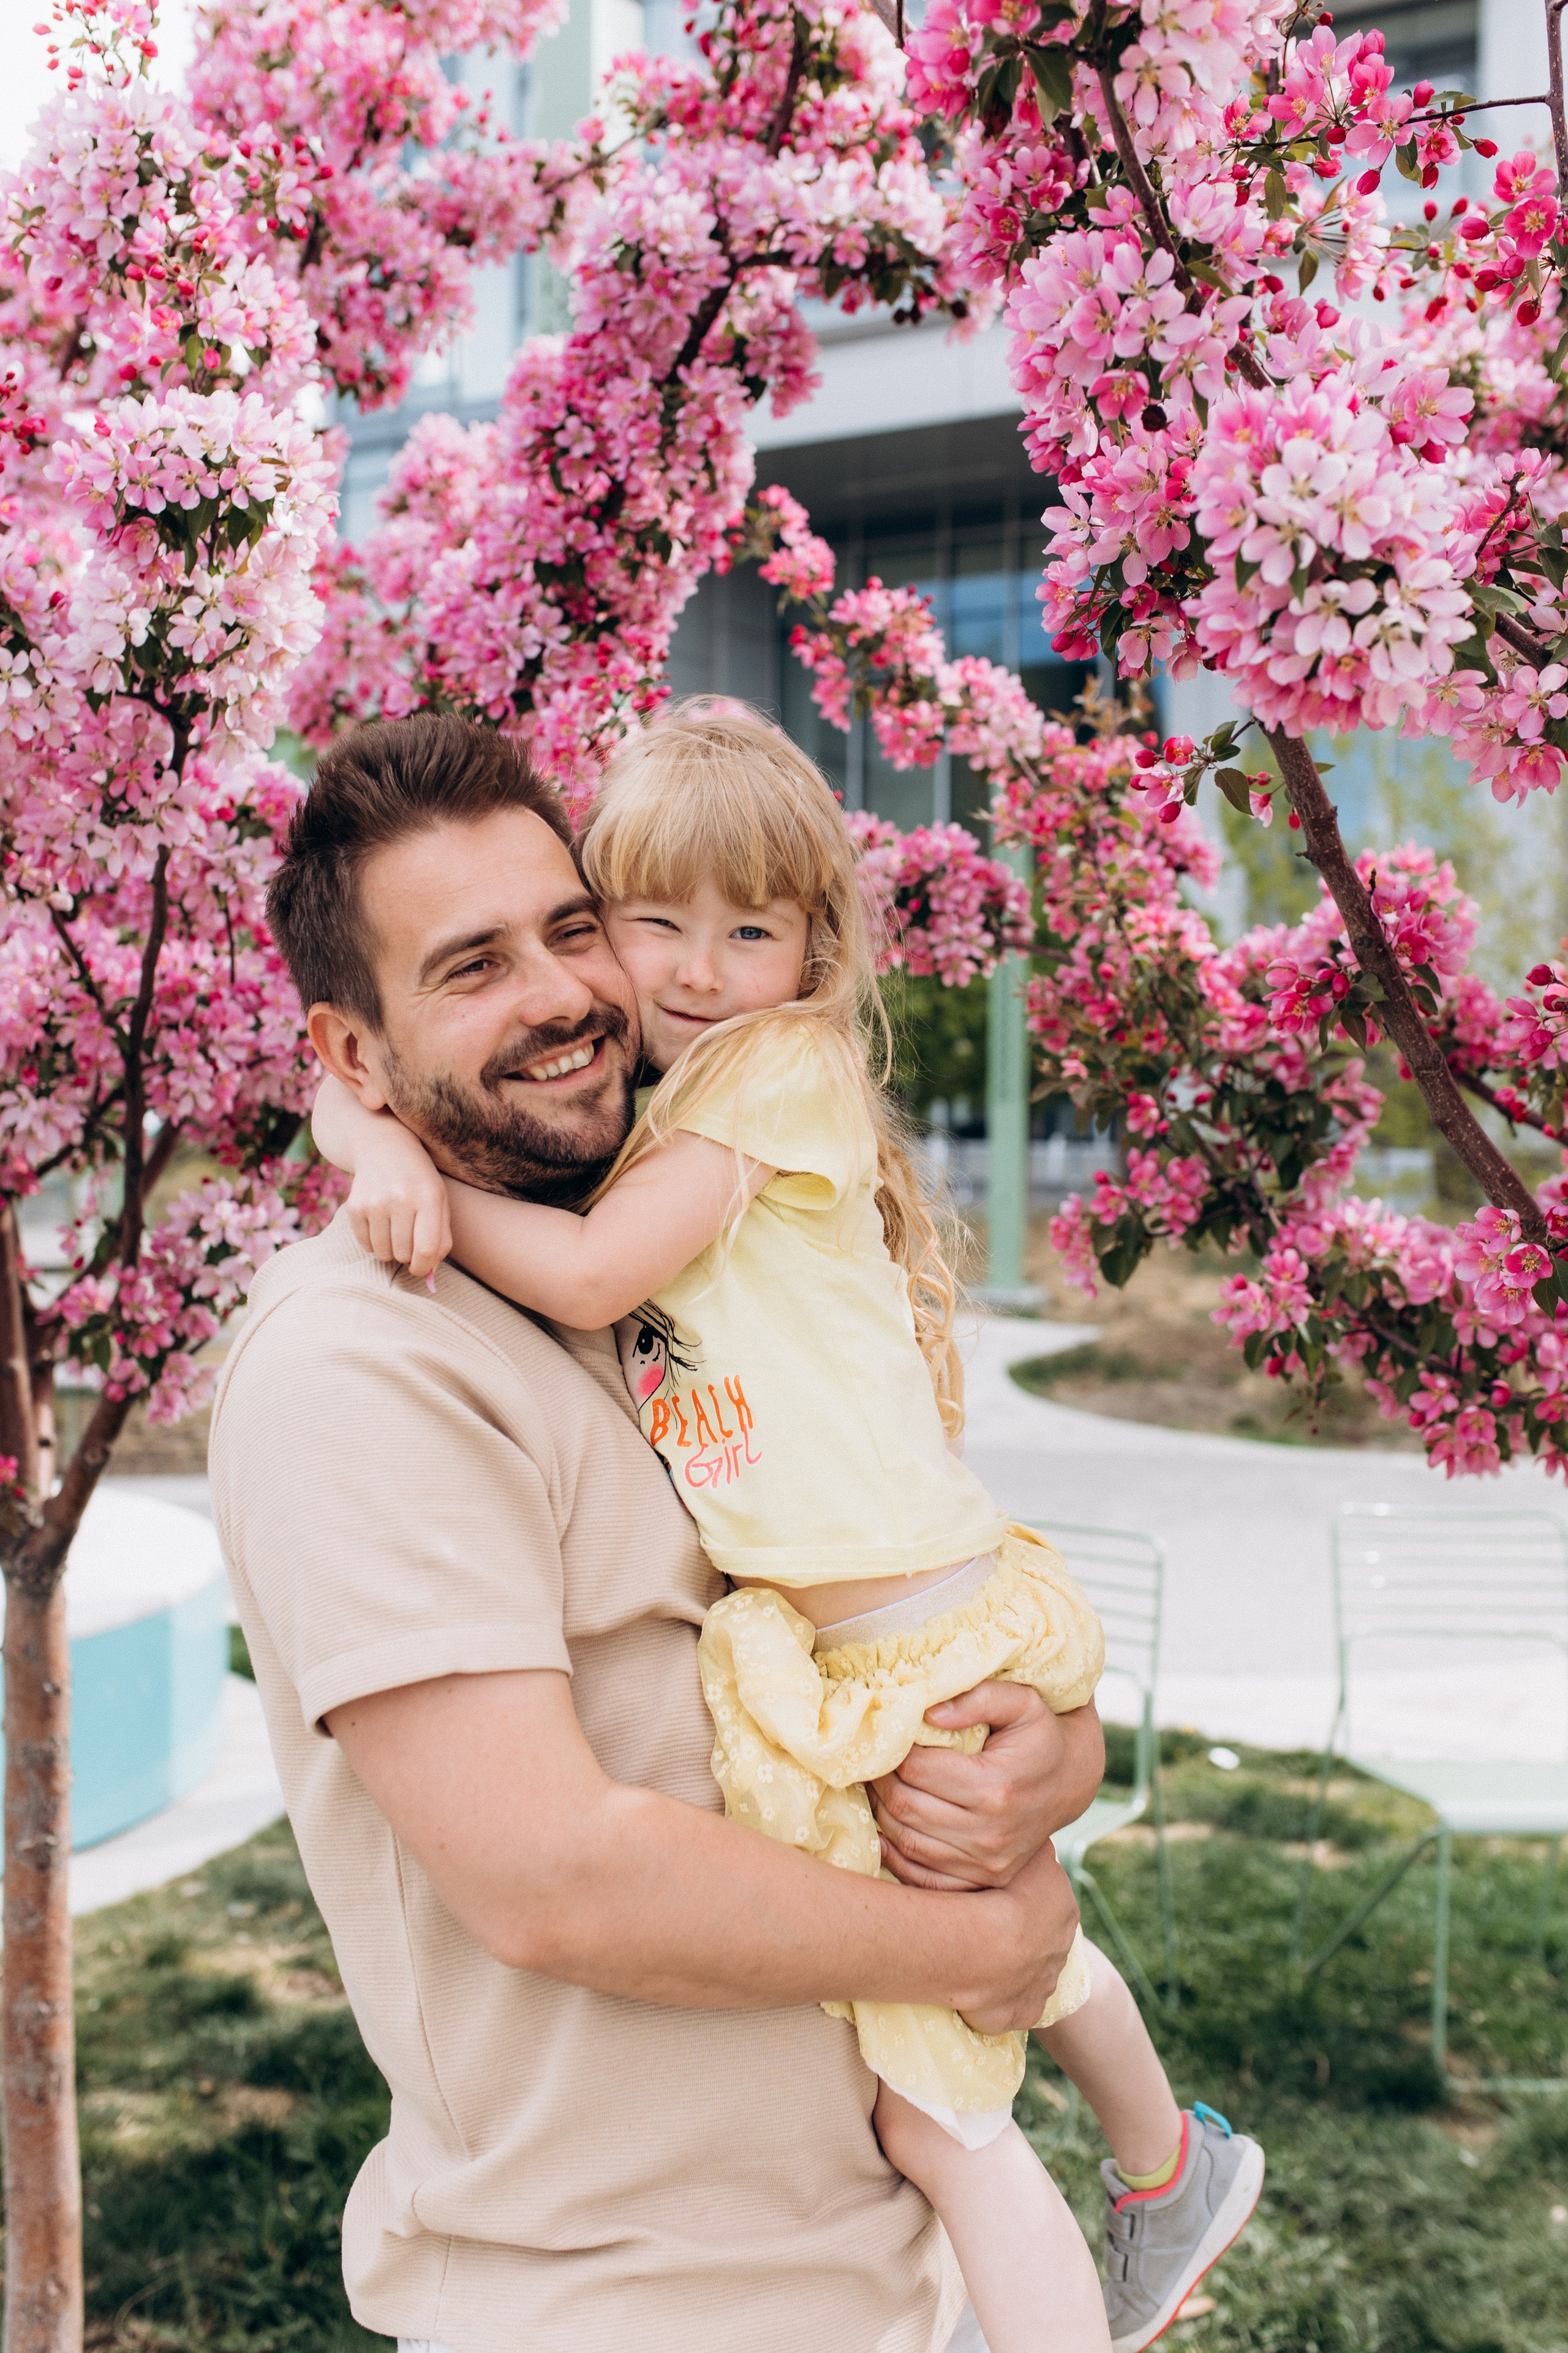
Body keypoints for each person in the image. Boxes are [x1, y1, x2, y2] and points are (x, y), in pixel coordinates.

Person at [315, 705, 1264, 2353]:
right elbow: (552, 1879)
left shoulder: (755, 1085)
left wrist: (391, 1155)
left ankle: (1146, 2199)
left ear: (815, 951)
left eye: (742, 931)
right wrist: (350, 1125)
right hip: (618, 2250)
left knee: (947, 2104)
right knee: (973, 2035)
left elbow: (604, 1274)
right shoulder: (402, 1327)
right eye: (645, 922)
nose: (670, 974)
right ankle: (1165, 2166)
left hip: (899, 1623)